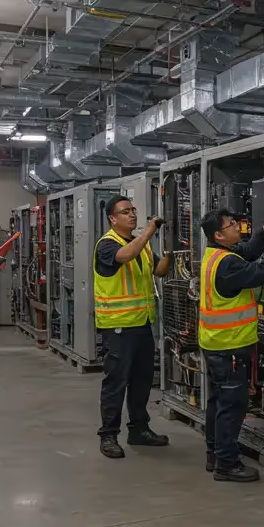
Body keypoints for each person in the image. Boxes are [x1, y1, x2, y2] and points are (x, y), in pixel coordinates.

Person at [197, 209, 264, 482]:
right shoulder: (227, 264)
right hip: (229, 347)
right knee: (232, 406)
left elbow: (249, 252)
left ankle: (215, 453)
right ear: (219, 234)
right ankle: (227, 465)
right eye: (231, 226)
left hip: (214, 343)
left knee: (218, 401)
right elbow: (262, 271)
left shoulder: (216, 254)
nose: (237, 228)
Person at [93, 195, 172, 459]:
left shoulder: (143, 246)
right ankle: (108, 435)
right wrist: (150, 230)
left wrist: (170, 251)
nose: (132, 215)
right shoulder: (107, 245)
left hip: (142, 324)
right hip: (117, 327)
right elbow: (125, 256)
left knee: (141, 382)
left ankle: (139, 429)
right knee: (116, 382)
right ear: (112, 219)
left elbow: (158, 271)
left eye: (133, 210)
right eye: (125, 212)